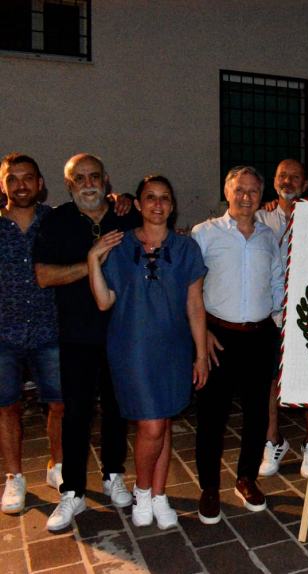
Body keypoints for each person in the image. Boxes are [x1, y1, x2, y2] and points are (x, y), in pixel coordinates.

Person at [87, 175, 208, 529]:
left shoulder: (187, 249)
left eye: (165, 198)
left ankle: (159, 495)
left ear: (172, 205)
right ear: (138, 204)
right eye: (150, 198)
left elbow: (195, 306)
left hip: (173, 347)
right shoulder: (120, 246)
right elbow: (104, 300)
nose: (158, 204)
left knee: (165, 420)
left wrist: (200, 354)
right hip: (132, 348)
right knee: (151, 424)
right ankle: (141, 490)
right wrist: (94, 260)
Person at [34, 153, 138, 531]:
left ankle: (113, 474)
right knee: (75, 413)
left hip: (122, 331)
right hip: (76, 333)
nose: (88, 183)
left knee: (117, 407)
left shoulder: (125, 217)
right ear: (69, 184)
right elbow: (44, 275)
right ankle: (72, 491)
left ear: (107, 180)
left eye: (95, 176)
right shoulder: (57, 221)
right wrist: (92, 261)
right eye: (80, 178)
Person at [191, 166, 284, 524]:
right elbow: (192, 289)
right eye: (239, 190)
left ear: (261, 196)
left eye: (253, 191)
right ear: (227, 192)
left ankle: (246, 478)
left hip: (260, 336)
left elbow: (276, 280)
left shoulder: (267, 236)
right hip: (218, 337)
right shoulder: (205, 234)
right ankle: (209, 487)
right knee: (212, 416)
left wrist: (277, 323)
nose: (246, 197)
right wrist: (201, 334)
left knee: (257, 414)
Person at [0, 154, 63, 514]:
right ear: (3, 185)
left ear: (40, 183)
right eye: (13, 179)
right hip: (3, 332)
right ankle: (14, 477)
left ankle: (57, 466)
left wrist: (122, 201)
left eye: (28, 178)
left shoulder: (54, 221)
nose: (20, 185)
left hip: (48, 328)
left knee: (59, 403)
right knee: (7, 406)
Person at [255, 159, 308, 478]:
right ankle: (272, 441)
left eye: (294, 177)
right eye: (282, 176)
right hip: (271, 312)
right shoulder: (261, 216)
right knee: (268, 381)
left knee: (307, 379)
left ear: (305, 184)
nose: (287, 182)